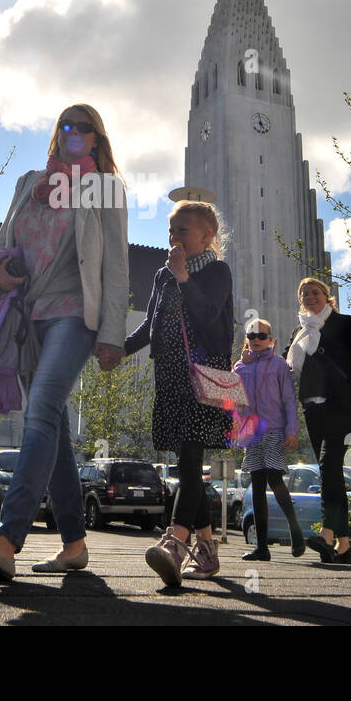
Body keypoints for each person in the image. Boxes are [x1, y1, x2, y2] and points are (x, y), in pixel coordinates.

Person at [0, 105, 129, 581]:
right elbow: (2, 244)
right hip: (27, 318)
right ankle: (74, 544)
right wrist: (3, 280)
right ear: (58, 134)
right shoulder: (29, 182)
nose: (74, 132)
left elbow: (115, 264)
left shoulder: (105, 189)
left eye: (85, 126)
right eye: (66, 125)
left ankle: (6, 539)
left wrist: (112, 334)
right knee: (54, 428)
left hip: (74, 315)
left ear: (97, 139)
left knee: (41, 413)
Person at [125, 200, 234, 586]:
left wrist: (184, 276)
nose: (174, 238)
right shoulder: (162, 276)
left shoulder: (217, 272)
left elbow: (208, 317)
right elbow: (150, 327)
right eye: (171, 231)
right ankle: (206, 549)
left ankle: (174, 541)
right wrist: (116, 349)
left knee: (190, 457)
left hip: (204, 379)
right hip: (169, 379)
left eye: (182, 230)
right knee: (187, 464)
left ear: (207, 236)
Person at [284, 277, 351, 565]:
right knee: (330, 472)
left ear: (326, 295)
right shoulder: (300, 331)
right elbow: (286, 367)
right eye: (304, 293)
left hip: (341, 408)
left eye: (315, 292)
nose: (310, 297)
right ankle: (344, 547)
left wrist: (348, 399)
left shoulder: (346, 323)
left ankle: (326, 535)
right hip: (313, 408)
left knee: (328, 464)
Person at [233, 317, 305, 560]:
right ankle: (262, 547)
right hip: (251, 434)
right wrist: (241, 366)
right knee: (257, 485)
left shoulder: (279, 365)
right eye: (251, 336)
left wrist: (292, 431)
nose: (256, 340)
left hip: (274, 430)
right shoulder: (241, 367)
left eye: (261, 336)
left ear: (271, 340)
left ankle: (295, 531)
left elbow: (288, 400)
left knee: (274, 478)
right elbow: (234, 397)